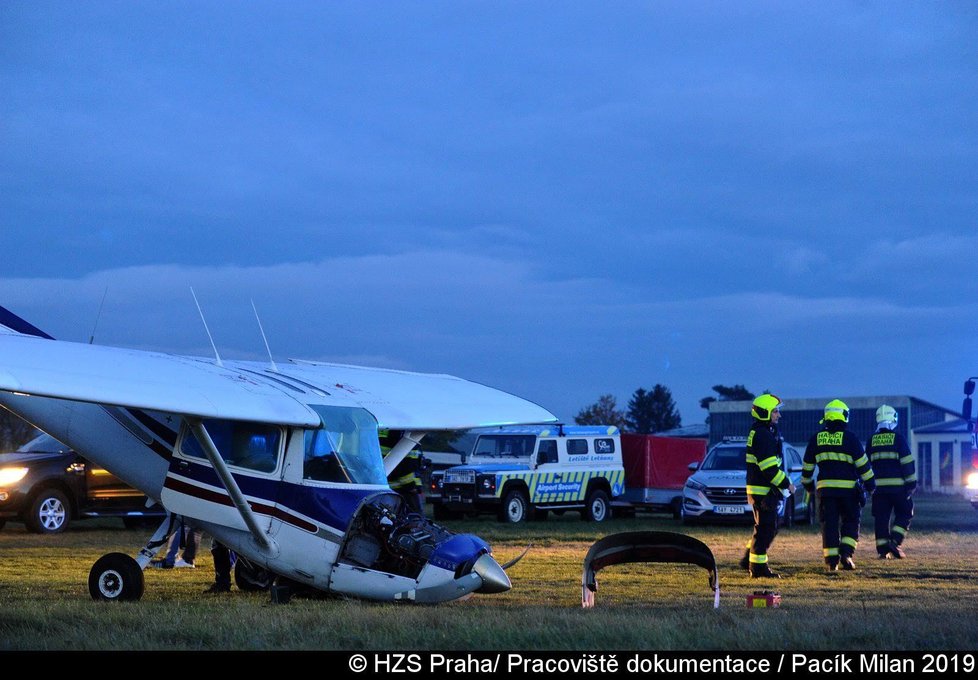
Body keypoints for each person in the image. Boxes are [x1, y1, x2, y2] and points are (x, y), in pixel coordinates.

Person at [801, 399, 876, 571]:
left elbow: (807, 468)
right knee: (851, 521)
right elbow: (864, 466)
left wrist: (807, 485)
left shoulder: (816, 439)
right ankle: (847, 554)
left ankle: (831, 563)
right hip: (849, 492)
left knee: (829, 525)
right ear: (843, 416)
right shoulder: (850, 438)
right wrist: (871, 485)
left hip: (826, 492)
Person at [740, 393, 794, 579]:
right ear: (765, 413)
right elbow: (770, 468)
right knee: (766, 529)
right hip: (763, 491)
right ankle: (758, 569)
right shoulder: (763, 435)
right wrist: (787, 484)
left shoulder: (762, 432)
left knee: (766, 528)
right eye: (775, 411)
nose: (778, 415)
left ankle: (751, 562)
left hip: (761, 490)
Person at [866, 404, 916, 558]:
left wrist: (867, 485)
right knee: (905, 513)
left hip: (879, 490)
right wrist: (911, 483)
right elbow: (907, 462)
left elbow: (865, 465)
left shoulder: (871, 441)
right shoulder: (898, 439)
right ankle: (894, 542)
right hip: (898, 488)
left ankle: (882, 551)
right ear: (893, 419)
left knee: (881, 518)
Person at [380, 429, 425, 515]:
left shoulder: (390, 428)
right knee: (416, 521)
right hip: (403, 489)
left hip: (392, 488)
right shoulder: (401, 431)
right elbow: (402, 462)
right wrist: (411, 486)